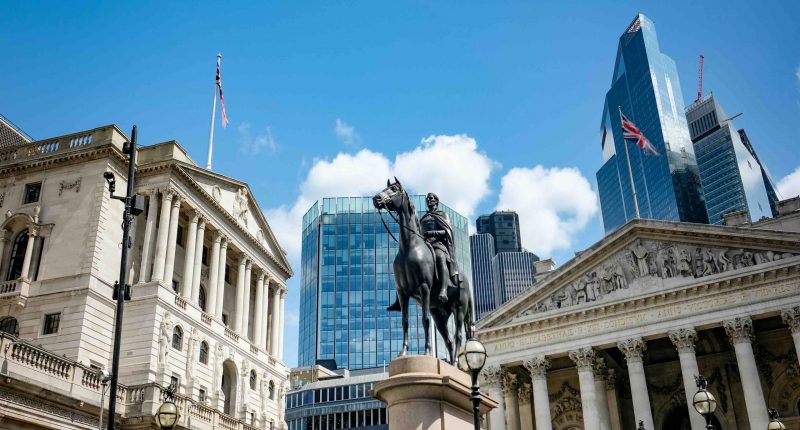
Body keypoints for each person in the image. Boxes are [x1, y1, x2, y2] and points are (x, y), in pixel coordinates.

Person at [387, 192, 463, 310]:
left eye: (431, 198)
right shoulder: (423, 218)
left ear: (436, 201)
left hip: (438, 245)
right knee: (406, 264)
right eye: (428, 198)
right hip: (425, 246)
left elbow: (448, 231)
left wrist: (433, 233)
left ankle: (443, 289)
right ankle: (399, 300)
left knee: (439, 257)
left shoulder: (443, 215)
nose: (429, 200)